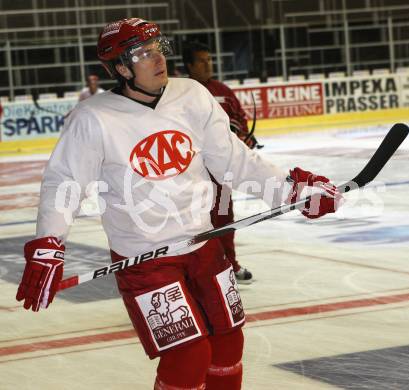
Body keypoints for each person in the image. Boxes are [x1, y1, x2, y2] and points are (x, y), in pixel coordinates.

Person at [15, 18, 342, 390]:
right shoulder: (94, 119)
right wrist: (49, 243)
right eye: (144, 54)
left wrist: (291, 192)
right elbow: (65, 182)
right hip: (145, 258)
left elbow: (234, 160)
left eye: (159, 48)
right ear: (121, 68)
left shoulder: (191, 95)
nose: (158, 59)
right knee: (188, 356)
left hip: (203, 245)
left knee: (228, 342)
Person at [182, 41, 257, 284]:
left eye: (209, 59)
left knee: (224, 217)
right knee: (195, 223)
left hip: (220, 174)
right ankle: (197, 270)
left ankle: (230, 265)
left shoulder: (223, 91)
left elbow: (240, 120)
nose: (208, 64)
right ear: (189, 66)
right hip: (191, 175)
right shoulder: (180, 93)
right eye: (202, 60)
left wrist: (245, 137)